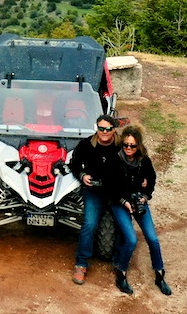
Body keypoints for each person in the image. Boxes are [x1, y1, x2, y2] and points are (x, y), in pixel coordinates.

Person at [107, 124, 171, 296]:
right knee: (131, 239)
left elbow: (151, 179)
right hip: (119, 202)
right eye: (126, 145)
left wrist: (145, 196)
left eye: (132, 145)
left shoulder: (144, 160)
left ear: (139, 146)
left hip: (138, 201)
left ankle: (159, 274)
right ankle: (121, 274)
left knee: (152, 238)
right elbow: (111, 188)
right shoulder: (115, 160)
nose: (128, 148)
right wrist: (124, 201)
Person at [68, 113, 121, 285]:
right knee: (89, 223)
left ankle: (120, 263)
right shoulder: (86, 144)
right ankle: (81, 264)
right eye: (101, 128)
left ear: (114, 129)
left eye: (108, 129)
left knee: (124, 223)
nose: (104, 132)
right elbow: (74, 163)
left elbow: (137, 162)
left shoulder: (122, 145)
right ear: (96, 128)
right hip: (94, 191)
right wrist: (82, 175)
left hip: (116, 192)